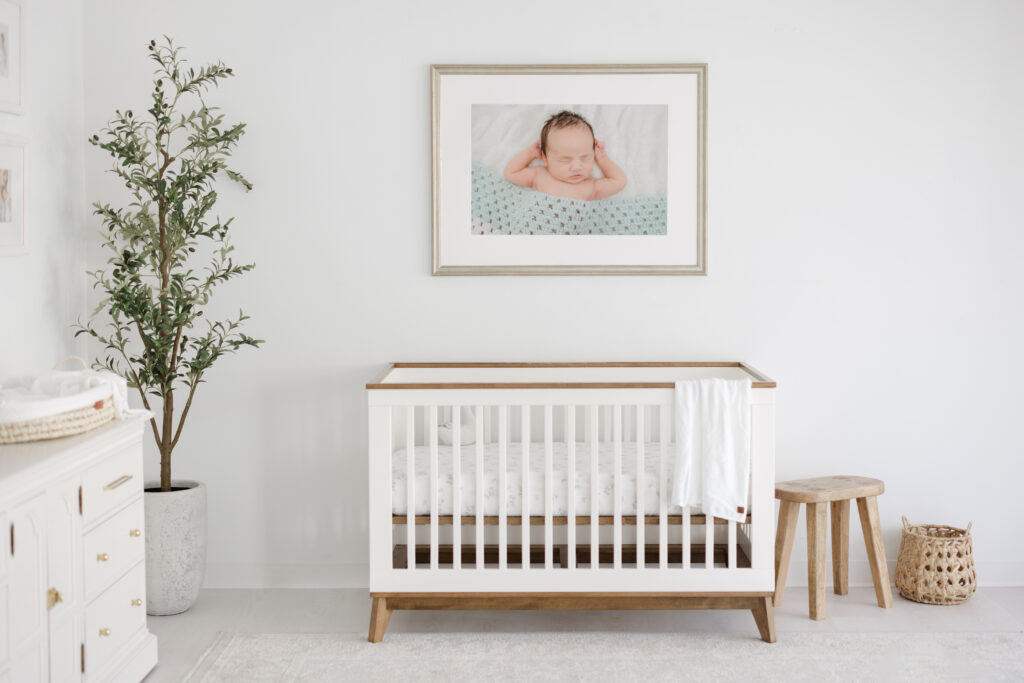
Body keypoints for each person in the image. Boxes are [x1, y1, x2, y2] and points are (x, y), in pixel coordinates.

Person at [503, 110, 627, 201]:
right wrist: (530, 153)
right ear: (545, 159)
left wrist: (602, 159)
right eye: (565, 160)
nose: (577, 167)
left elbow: (619, 181)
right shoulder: (539, 175)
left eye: (585, 157)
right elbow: (511, 173)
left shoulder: (590, 186)